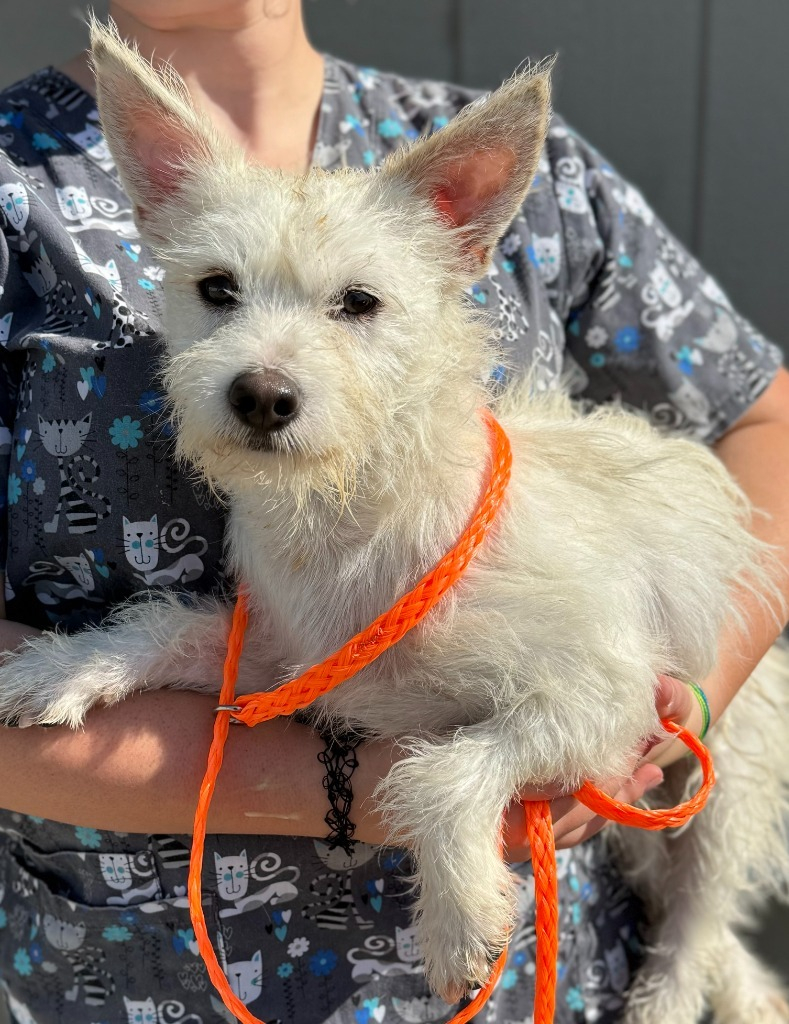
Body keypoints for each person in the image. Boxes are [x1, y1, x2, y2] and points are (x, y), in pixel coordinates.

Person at [0, 2, 786, 1021]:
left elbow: (765, 420)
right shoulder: (24, 189)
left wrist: (703, 686)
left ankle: (697, 954)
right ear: (150, 189)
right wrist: (374, 790)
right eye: (220, 291)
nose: (267, 373)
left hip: (553, 977)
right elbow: (284, 647)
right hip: (135, 984)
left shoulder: (534, 184)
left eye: (356, 306)